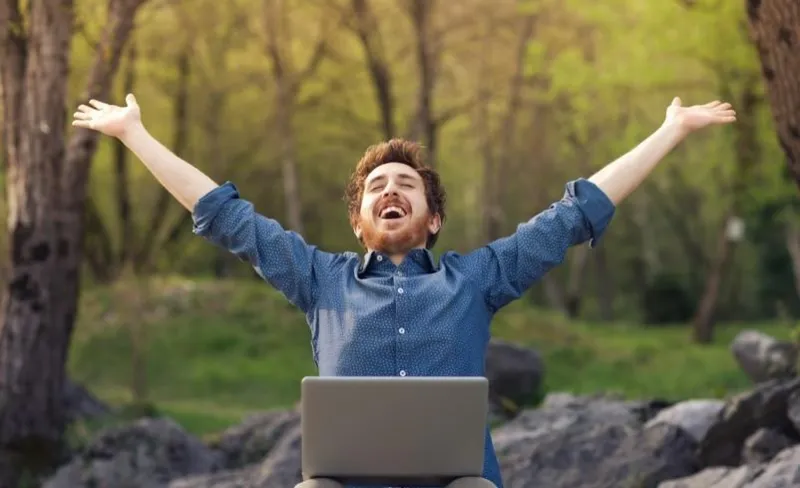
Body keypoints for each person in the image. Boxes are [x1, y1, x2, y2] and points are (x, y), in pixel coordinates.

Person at [72, 94, 736, 488]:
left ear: (433, 218)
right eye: (375, 189)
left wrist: (671, 130)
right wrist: (134, 134)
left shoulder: (476, 279)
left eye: (406, 186)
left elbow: (576, 213)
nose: (390, 191)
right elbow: (223, 213)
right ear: (358, 221)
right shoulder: (319, 279)